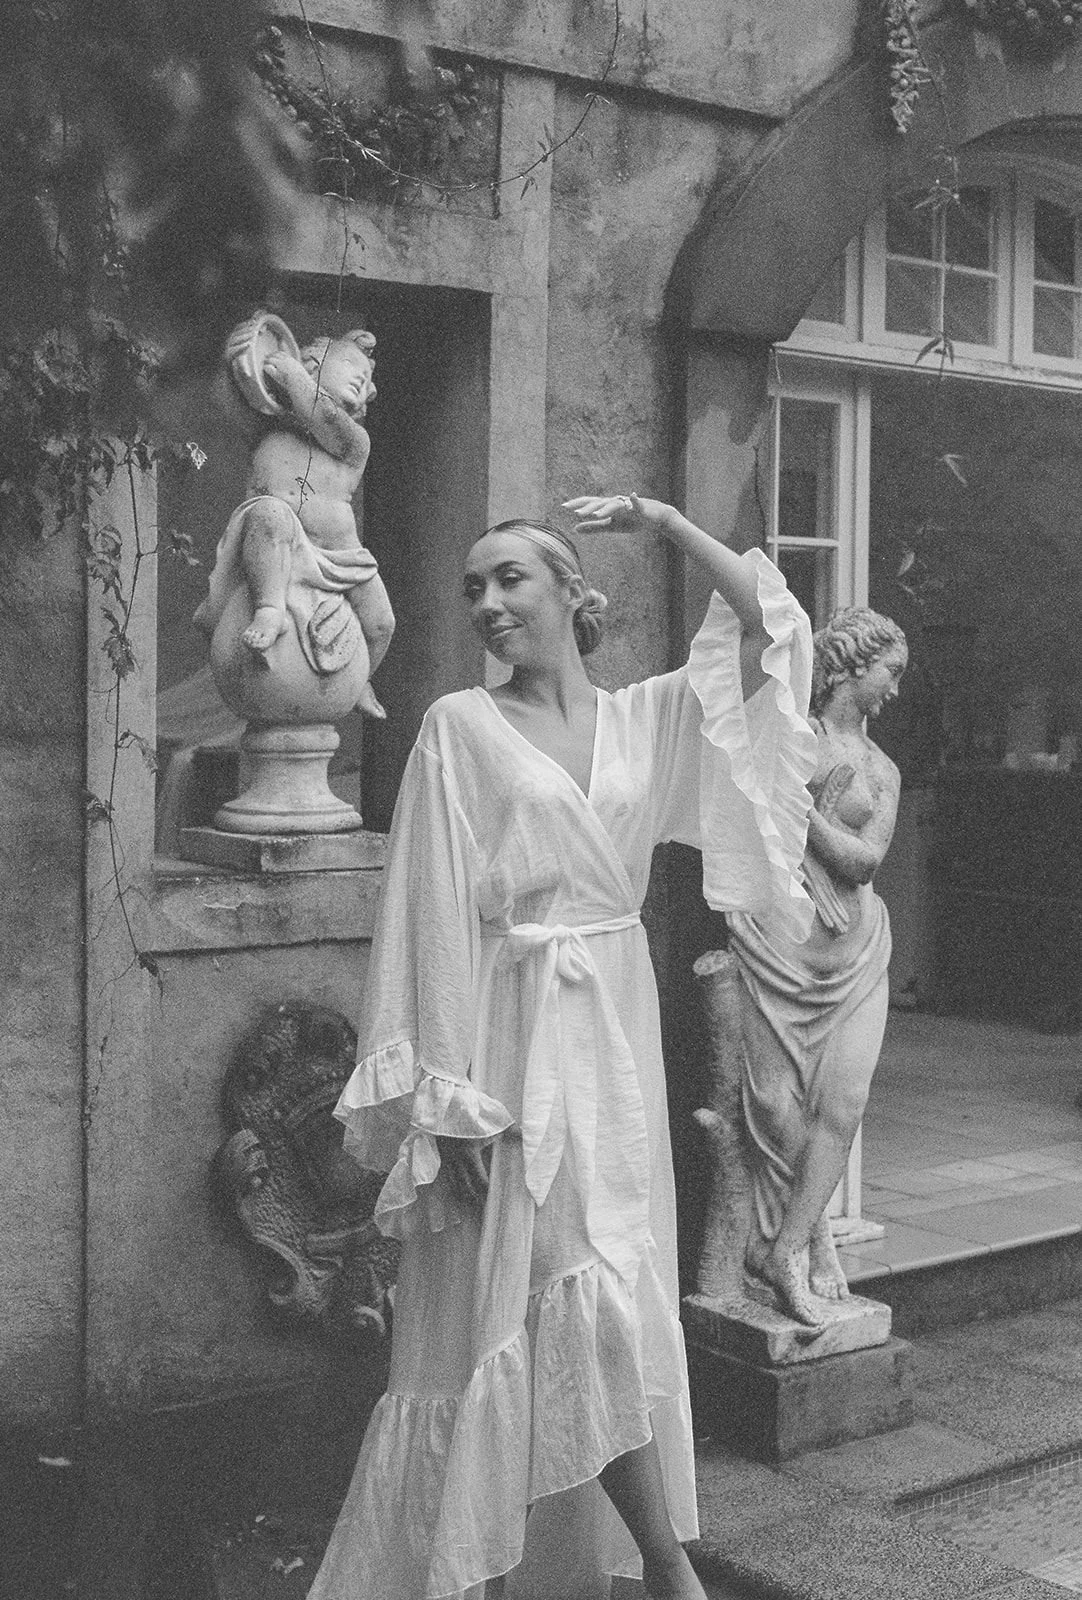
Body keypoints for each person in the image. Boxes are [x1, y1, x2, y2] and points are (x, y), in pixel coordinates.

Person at [307, 494, 818, 1600]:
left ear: (572, 596)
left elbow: (773, 631)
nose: (486, 603)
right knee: (540, 1289)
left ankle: (541, 1565)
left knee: (590, 1293)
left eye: (510, 580)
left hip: (611, 1031)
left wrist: (664, 520)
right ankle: (659, 1569)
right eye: (473, 588)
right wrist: (452, 1104)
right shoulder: (455, 727)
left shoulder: (645, 719)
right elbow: (428, 914)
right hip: (507, 1035)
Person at [727, 606, 907, 1329]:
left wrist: (802, 816)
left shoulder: (882, 768)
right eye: (890, 673)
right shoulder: (787, 738)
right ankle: (817, 1237)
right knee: (775, 1108)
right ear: (854, 664)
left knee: (844, 1105)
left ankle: (786, 1251)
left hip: (858, 950)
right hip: (781, 947)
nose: (895, 690)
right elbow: (738, 822)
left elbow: (866, 861)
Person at [195, 327, 395, 718]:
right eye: (352, 365)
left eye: (368, 380)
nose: (363, 380)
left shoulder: (355, 442)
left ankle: (361, 679)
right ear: (314, 364)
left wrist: (292, 376)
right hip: (275, 538)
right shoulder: (268, 428)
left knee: (382, 623)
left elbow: (323, 417)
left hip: (342, 554)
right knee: (271, 513)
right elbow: (229, 399)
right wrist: (238, 357)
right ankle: (270, 609)